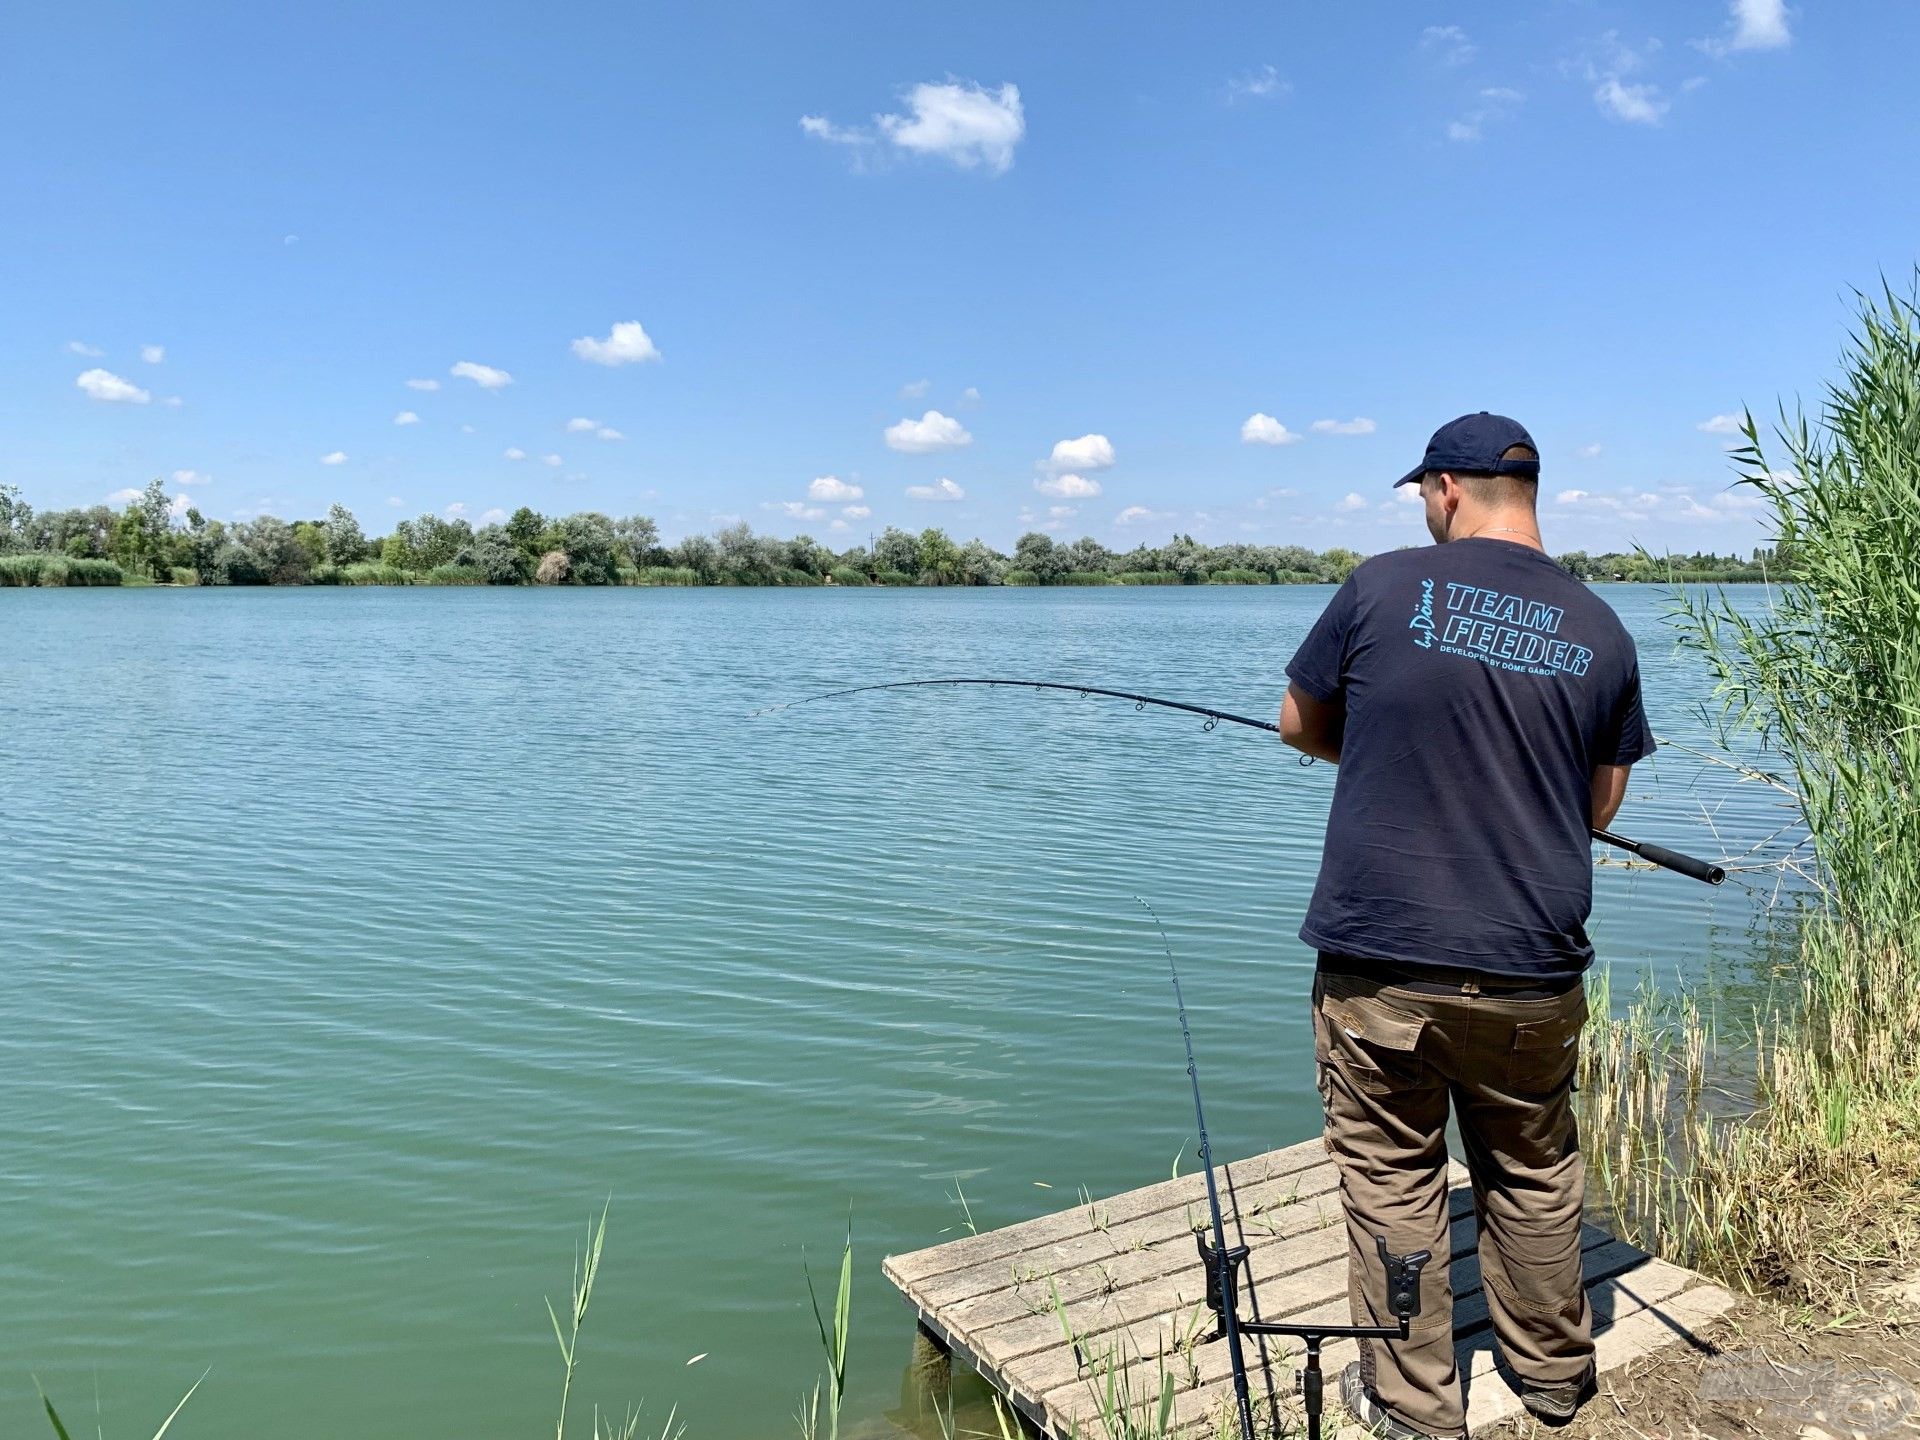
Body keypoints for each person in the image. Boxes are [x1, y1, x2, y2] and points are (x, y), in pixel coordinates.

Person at [1278, 413, 1654, 1439]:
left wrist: (1383, 753)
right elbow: (1599, 807)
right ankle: (1554, 1382)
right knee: (1533, 1171)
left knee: (1395, 1185)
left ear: (1447, 488)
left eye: (1423, 496)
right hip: (1531, 967)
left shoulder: (1379, 588)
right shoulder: (1603, 627)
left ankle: (1415, 1410)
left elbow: (1299, 722)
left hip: (1381, 964)